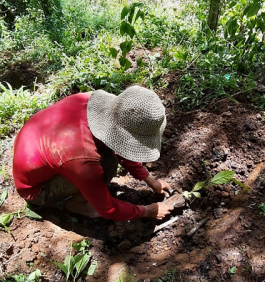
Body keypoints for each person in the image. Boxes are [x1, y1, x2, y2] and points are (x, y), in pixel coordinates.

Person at [12, 85, 174, 221]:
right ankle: (79, 205)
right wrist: (147, 211)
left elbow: (120, 142)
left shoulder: (94, 102)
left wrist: (150, 180)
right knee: (108, 163)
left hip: (38, 151)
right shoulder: (83, 158)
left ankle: (83, 192)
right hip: (36, 190)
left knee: (108, 160)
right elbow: (108, 209)